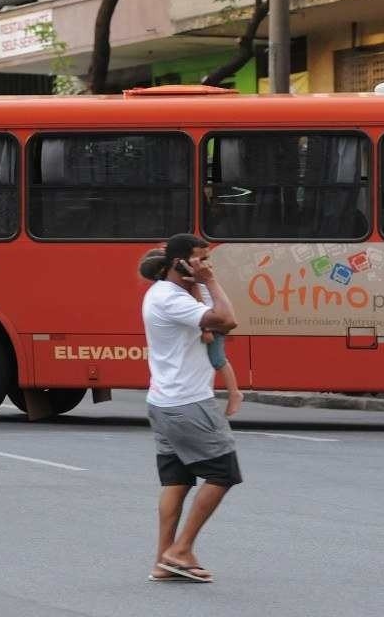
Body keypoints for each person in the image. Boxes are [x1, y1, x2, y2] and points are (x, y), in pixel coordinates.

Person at [140, 234, 241, 583]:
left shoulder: (165, 294)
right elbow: (227, 320)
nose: (207, 265)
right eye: (201, 259)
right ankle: (180, 550)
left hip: (164, 401)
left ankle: (162, 561)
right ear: (180, 262)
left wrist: (199, 283)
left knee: (177, 480)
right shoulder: (171, 299)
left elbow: (211, 322)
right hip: (188, 403)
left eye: (208, 260)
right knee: (223, 473)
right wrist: (209, 281)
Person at [139, 247, 243, 417]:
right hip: (208, 319)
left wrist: (206, 329)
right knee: (212, 360)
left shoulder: (190, 282)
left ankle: (234, 393)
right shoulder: (170, 290)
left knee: (218, 359)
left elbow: (205, 307)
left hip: (210, 320)